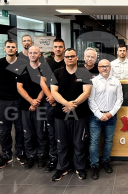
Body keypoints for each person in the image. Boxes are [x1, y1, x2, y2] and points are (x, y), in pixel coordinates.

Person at [50, 48, 93, 181]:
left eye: (72, 56)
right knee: (61, 142)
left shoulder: (84, 72)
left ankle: (80, 167)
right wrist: (67, 104)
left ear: (76, 58)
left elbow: (87, 92)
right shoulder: (57, 72)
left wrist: (72, 105)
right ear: (64, 58)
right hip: (61, 113)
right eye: (67, 56)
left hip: (80, 113)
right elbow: (54, 92)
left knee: (79, 142)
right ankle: (62, 167)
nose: (70, 58)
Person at [0, 39, 25, 168]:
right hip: (4, 101)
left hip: (19, 101)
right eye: (8, 47)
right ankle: (6, 155)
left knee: (20, 128)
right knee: (4, 129)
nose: (11, 49)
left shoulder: (22, 63)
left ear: (16, 49)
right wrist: (6, 91)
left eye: (13, 47)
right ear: (4, 49)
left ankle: (20, 153)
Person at [88, 59, 123, 179]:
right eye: (102, 66)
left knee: (108, 140)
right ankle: (94, 165)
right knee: (94, 141)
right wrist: (100, 114)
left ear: (110, 67)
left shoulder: (116, 82)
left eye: (106, 66)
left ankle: (105, 162)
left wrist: (110, 114)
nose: (104, 68)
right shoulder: (93, 81)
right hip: (95, 117)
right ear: (98, 68)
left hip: (111, 117)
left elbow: (119, 99)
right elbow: (90, 100)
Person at [17, 46, 47, 169]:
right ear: (27, 54)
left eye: (35, 53)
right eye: (30, 53)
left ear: (40, 55)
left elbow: (45, 88)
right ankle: (30, 156)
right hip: (25, 106)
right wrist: (31, 101)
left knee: (41, 133)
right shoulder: (22, 68)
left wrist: (36, 102)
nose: (32, 54)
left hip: (41, 106)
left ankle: (41, 156)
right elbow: (19, 88)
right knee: (27, 133)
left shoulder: (45, 68)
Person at [43, 38, 66, 171]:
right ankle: (53, 158)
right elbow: (42, 82)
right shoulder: (47, 62)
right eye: (56, 47)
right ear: (53, 49)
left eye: (60, 47)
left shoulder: (67, 61)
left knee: (64, 131)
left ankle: (65, 158)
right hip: (50, 102)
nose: (58, 49)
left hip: (64, 102)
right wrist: (51, 96)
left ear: (64, 48)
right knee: (51, 131)